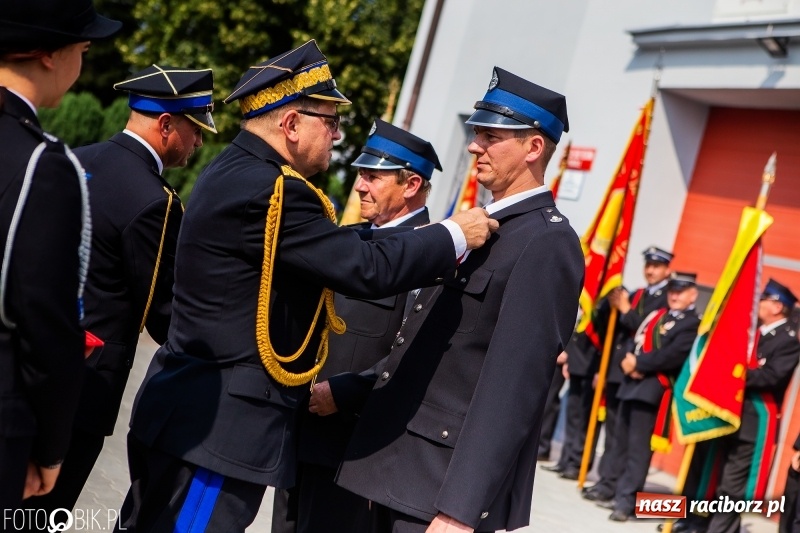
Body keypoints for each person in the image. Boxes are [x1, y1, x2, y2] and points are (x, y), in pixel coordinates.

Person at [117, 40, 496, 533]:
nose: (337, 136)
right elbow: (366, 268)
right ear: (292, 124)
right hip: (222, 430)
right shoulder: (275, 189)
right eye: (330, 121)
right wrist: (453, 233)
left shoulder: (232, 170)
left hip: (190, 413)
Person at [318, 66, 585, 532]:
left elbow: (513, 390)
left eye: (490, 136)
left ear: (534, 147)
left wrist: (463, 508)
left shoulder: (546, 243)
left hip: (438, 490)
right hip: (394, 464)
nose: (473, 146)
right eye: (476, 133)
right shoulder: (476, 225)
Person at [24, 65, 217, 516]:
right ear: (166, 124)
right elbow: (164, 312)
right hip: (83, 388)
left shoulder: (73, 158)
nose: (199, 143)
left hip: (27, 359)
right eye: (194, 130)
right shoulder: (155, 201)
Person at [272, 118, 442, 533]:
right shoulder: (348, 237)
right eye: (360, 175)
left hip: (355, 446)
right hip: (301, 432)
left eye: (373, 177)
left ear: (412, 184)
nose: (360, 186)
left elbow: (415, 351)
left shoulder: (429, 253)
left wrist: (347, 392)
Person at [0, 0, 120, 511]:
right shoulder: (41, 164)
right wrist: (51, 448)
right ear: (50, 54)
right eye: (83, 49)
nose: (82, 63)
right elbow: (46, 324)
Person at [671, 278, 799, 533]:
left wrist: (731, 374)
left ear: (777, 307)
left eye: (764, 299)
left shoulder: (789, 339)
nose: (759, 303)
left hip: (753, 422)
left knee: (732, 486)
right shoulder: (753, 333)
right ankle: (696, 523)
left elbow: (770, 376)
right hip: (729, 414)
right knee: (710, 475)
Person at [597, 272, 700, 522]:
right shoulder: (657, 315)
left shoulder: (691, 323)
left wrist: (638, 363)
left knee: (637, 450)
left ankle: (627, 501)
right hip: (630, 384)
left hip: (652, 388)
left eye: (681, 292)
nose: (674, 296)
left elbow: (672, 355)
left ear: (692, 295)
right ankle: (612, 490)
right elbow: (635, 340)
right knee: (618, 441)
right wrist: (627, 361)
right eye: (672, 291)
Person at [581, 246, 673, 502]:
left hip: (640, 376)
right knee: (614, 433)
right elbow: (616, 335)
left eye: (657, 266)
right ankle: (606, 483)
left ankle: (622, 489)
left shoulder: (668, 298)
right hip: (617, 371)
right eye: (648, 265)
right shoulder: (637, 294)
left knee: (632, 439)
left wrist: (625, 310)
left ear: (667, 270)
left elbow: (646, 332)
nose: (651, 271)